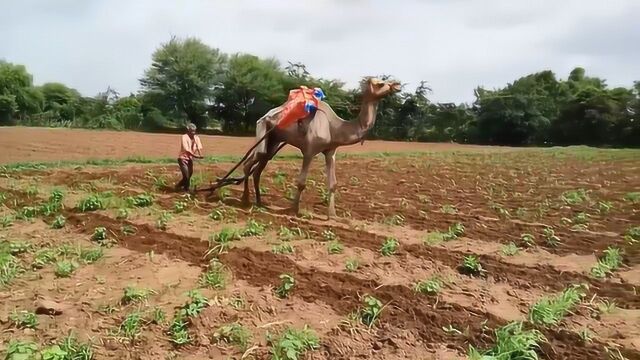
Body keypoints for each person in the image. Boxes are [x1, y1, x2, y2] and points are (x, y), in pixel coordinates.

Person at [175, 123, 203, 192]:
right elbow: (186, 149)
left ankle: (178, 186)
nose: (193, 133)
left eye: (194, 131)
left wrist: (200, 154)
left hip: (190, 159)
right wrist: (195, 156)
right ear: (188, 130)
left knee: (189, 175)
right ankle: (186, 190)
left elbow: (198, 147)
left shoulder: (196, 138)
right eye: (191, 131)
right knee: (186, 176)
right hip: (183, 158)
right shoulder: (184, 137)